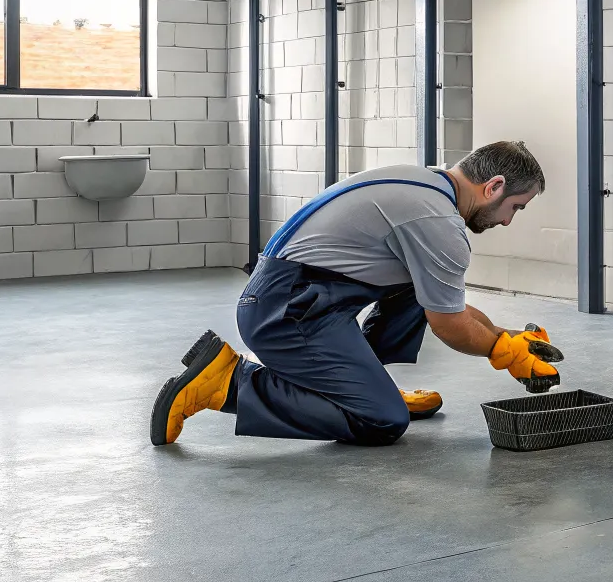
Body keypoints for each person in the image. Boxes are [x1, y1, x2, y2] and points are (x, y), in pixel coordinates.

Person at [150, 140, 565, 447]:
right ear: (493, 187)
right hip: (284, 311)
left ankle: (360, 382)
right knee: (382, 420)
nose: (509, 221)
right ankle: (226, 383)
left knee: (415, 290)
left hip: (296, 295)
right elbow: (449, 324)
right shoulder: (438, 221)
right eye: (516, 207)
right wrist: (503, 352)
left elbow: (444, 300)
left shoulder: (427, 184)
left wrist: (505, 335)